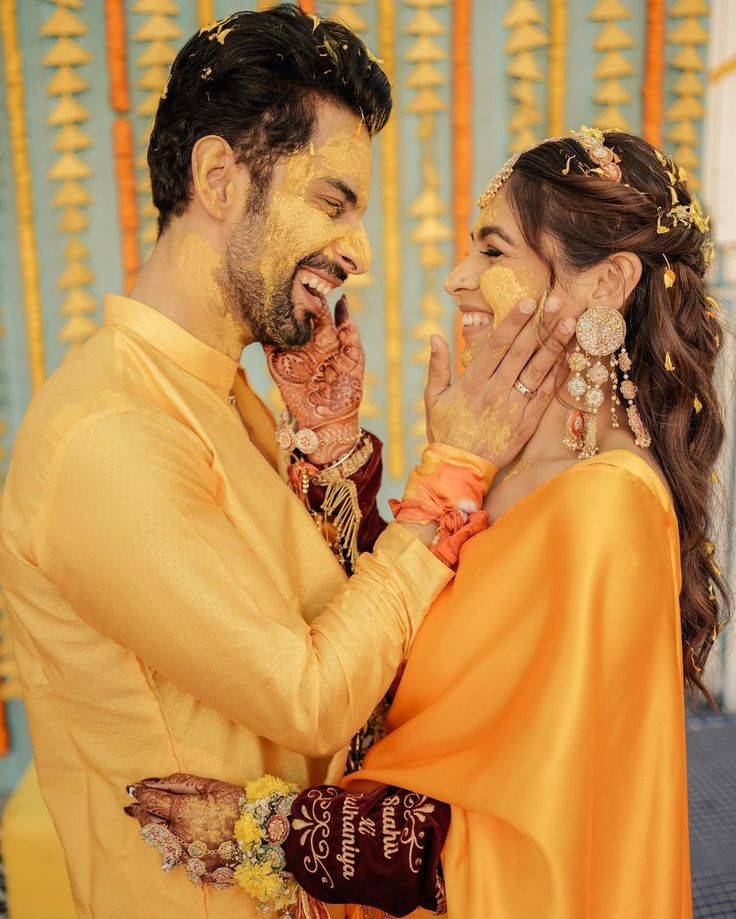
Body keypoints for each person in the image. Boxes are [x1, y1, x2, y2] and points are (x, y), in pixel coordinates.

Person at [0, 7, 569, 919]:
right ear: (220, 177)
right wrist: (448, 477)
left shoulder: (217, 393)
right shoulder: (106, 430)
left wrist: (332, 443)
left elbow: (321, 617)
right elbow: (307, 695)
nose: (360, 251)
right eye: (333, 203)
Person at [126, 127, 729, 919]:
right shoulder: (509, 469)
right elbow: (389, 653)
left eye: (493, 251)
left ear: (606, 282)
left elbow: (524, 839)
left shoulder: (603, 508)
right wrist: (337, 442)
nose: (457, 279)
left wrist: (266, 833)